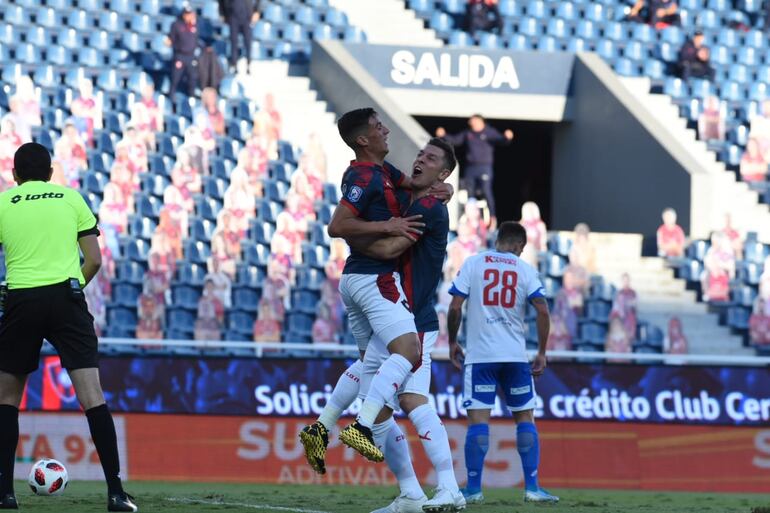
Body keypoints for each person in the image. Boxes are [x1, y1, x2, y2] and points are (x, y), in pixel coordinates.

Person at [301, 139, 465, 512]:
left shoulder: (428, 207)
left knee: (404, 400)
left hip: (413, 317)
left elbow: (391, 250)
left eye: (431, 159)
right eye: (421, 154)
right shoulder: (408, 196)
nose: (420, 159)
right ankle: (412, 493)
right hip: (394, 312)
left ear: (443, 173)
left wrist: (354, 241)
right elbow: (384, 175)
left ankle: (447, 488)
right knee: (387, 398)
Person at [0, 143, 137, 512]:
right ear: (50, 174)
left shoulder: (3, 203)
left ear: (14, 175)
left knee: (7, 398)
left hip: (21, 299)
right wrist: (74, 287)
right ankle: (115, 493)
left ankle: (4, 494)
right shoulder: (70, 197)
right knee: (93, 396)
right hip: (66, 298)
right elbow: (94, 259)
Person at [447, 222, 558, 504]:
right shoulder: (525, 270)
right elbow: (543, 311)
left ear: (498, 240)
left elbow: (455, 306)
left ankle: (474, 490)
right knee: (525, 419)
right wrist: (542, 352)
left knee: (477, 424)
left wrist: (452, 342)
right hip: (515, 358)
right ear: (520, 245)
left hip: (480, 358)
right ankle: (532, 488)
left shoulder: (473, 263)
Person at [436, 115, 512, 228]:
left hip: (484, 167)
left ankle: (492, 218)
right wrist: (443, 135)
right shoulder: (468, 133)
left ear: (481, 121)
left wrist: (507, 137)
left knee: (486, 191)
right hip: (471, 168)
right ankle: (472, 219)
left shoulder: (489, 132)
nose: (472, 124)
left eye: (474, 121)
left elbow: (501, 140)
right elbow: (456, 140)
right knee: (469, 193)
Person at [166, 4, 201, 97]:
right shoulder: (176, 25)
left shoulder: (195, 25)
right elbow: (171, 39)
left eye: (190, 14)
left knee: (193, 78)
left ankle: (191, 97)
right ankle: (171, 97)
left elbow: (196, 39)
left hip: (191, 56)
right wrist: (168, 42)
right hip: (180, 55)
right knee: (175, 78)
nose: (189, 16)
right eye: (187, 14)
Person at [219, 0, 261, 71]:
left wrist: (257, 11)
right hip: (233, 15)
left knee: (248, 42)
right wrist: (222, 13)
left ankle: (249, 64)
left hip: (247, 15)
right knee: (234, 42)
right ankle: (234, 64)